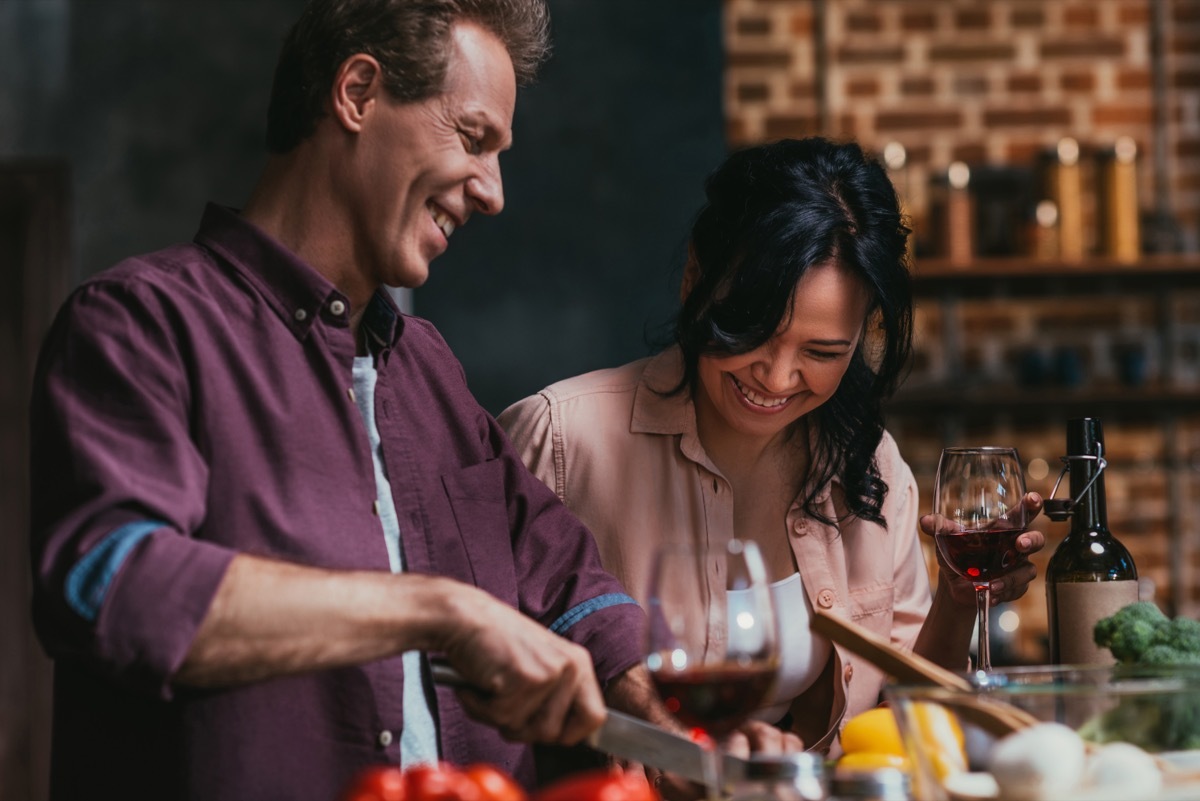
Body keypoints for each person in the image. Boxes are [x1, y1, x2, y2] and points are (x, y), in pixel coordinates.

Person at [27, 2, 687, 798]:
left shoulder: (431, 369)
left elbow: (560, 569)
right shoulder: (139, 324)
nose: (493, 192)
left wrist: (646, 697)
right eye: (474, 138)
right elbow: (114, 589)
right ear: (359, 92)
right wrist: (434, 608)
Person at [499, 137, 1048, 755]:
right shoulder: (560, 442)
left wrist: (955, 602)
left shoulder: (870, 466)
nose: (778, 377)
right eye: (754, 331)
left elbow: (903, 719)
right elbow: (469, 687)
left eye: (822, 353)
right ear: (695, 280)